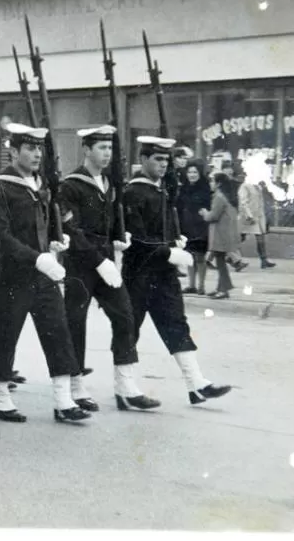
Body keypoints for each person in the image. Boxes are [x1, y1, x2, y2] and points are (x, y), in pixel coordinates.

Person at [0, 123, 92, 423]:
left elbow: (42, 223)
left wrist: (56, 240)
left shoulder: (40, 183)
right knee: (6, 337)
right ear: (14, 151)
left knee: (58, 333)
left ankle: (63, 401)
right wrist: (38, 258)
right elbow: (1, 236)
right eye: (29, 148)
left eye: (39, 148)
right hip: (14, 275)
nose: (36, 154)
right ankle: (1, 399)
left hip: (44, 275)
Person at [123, 136, 233, 405]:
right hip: (139, 273)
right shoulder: (133, 192)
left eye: (166, 160)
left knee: (177, 324)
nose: (163, 165)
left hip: (163, 273)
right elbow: (136, 241)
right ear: (143, 160)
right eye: (157, 159)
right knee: (128, 330)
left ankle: (196, 384)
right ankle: (124, 389)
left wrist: (176, 240)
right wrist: (169, 252)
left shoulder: (162, 190)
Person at [58, 125, 159, 412]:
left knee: (126, 317)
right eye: (101, 148)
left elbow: (113, 220)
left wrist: (119, 237)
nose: (107, 154)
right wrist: (99, 261)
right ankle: (76, 388)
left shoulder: (110, 183)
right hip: (81, 263)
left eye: (110, 148)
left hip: (106, 262)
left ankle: (126, 388)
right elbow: (71, 230)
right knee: (75, 323)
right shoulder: (71, 185)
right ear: (86, 149)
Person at [199, 172, 239, 299]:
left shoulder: (219, 197)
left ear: (218, 183)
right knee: (220, 262)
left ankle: (224, 289)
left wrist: (205, 213)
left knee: (221, 264)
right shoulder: (226, 196)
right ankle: (221, 288)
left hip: (220, 235)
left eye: (212, 181)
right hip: (224, 234)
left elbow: (213, 216)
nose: (210, 184)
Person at [177, 159, 211, 295]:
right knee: (190, 256)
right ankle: (191, 285)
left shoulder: (205, 188)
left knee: (200, 257)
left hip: (200, 226)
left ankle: (201, 286)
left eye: (195, 172)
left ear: (199, 173)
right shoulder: (184, 188)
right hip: (186, 226)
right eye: (189, 172)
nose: (192, 175)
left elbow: (206, 206)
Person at [238, 177, 276, 269]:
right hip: (247, 217)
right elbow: (243, 202)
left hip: (257, 217)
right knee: (240, 238)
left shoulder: (258, 187)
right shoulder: (245, 186)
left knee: (260, 238)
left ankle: (263, 260)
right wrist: (249, 215)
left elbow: (260, 202)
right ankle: (228, 255)